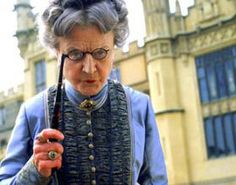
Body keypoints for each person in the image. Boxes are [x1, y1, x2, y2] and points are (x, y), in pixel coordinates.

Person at [0, 0, 168, 184]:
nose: (89, 69)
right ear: (56, 52)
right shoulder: (32, 112)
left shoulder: (140, 106)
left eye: (101, 53)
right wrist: (34, 171)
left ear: (114, 48)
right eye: (75, 54)